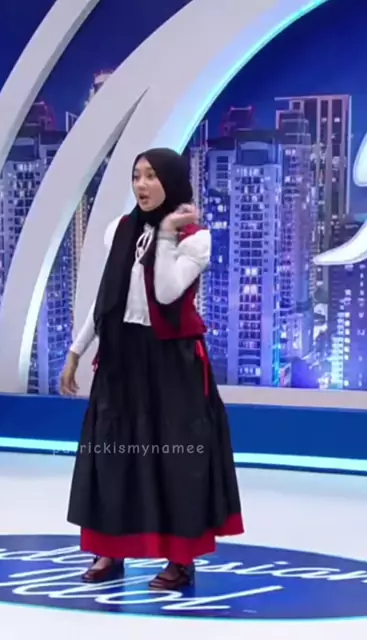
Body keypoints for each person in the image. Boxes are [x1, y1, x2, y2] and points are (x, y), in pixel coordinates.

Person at [60, 147, 243, 590]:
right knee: (111, 457)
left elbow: (165, 293)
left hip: (171, 363)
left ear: (172, 182)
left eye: (151, 176)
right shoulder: (120, 230)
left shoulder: (195, 238)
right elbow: (107, 298)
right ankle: (110, 549)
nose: (141, 185)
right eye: (136, 175)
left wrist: (164, 234)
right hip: (121, 358)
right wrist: (76, 351)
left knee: (175, 461)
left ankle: (180, 560)